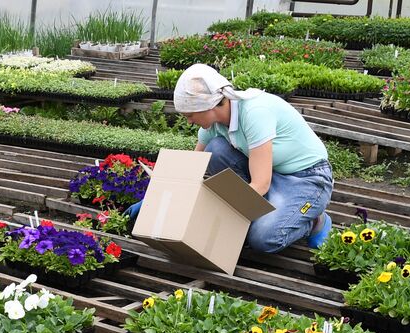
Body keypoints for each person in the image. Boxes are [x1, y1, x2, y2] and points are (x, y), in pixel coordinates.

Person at [129, 63, 334, 252]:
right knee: (216, 149)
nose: (189, 122)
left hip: (306, 179)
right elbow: (190, 170)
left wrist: (212, 213)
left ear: (209, 105)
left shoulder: (254, 113)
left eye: (190, 115)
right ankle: (263, 213)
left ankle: (314, 222)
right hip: (268, 172)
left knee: (263, 238)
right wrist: (156, 199)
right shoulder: (214, 124)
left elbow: (260, 184)